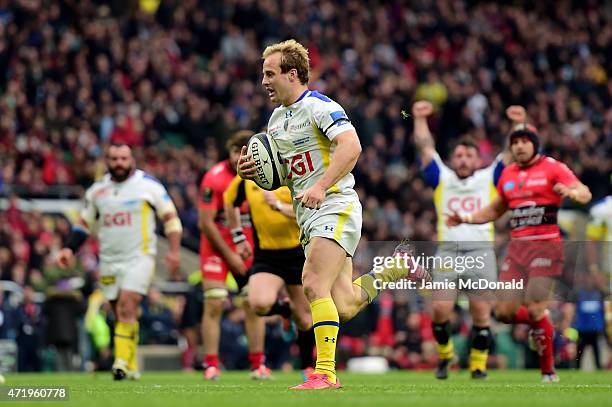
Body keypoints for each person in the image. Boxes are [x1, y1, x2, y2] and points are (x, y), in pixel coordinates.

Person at [238, 39, 427, 390]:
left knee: (312, 284)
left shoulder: (319, 106)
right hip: (309, 213)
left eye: (269, 73)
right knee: (346, 304)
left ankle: (325, 373)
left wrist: (322, 185)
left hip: (335, 204)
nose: (263, 81)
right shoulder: (277, 119)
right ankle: (398, 266)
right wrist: (251, 169)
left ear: (291, 74)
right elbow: (281, 172)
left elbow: (352, 146)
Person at [446, 119, 592, 382]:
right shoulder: (509, 175)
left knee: (534, 307)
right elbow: (495, 209)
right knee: (502, 312)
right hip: (517, 252)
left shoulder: (552, 167)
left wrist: (572, 191)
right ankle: (543, 321)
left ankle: (548, 371)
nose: (519, 146)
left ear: (534, 144)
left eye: (524, 141)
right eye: (514, 142)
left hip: (546, 247)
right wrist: (465, 218)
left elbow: (584, 192)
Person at [57, 142, 183, 380]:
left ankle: (120, 362)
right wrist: (68, 249)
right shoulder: (97, 190)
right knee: (121, 311)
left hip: (140, 256)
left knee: (127, 304)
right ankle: (132, 364)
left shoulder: (148, 186)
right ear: (107, 161)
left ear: (132, 159)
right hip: (109, 260)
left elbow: (171, 219)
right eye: (114, 159)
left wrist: (174, 251)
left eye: (124, 158)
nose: (119, 164)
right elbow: (83, 224)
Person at [411, 100, 516, 379]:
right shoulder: (442, 177)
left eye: (469, 155)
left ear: (478, 160)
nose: (464, 160)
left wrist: (517, 124)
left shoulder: (489, 177)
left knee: (482, 314)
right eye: (459, 155)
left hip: (481, 252)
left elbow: (509, 152)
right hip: (448, 252)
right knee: (440, 311)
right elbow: (424, 145)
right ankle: (446, 357)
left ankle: (478, 365)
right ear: (452, 159)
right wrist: (420, 118)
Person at [223, 175, 315, 377]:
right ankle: (285, 311)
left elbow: (311, 209)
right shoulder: (246, 180)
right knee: (258, 303)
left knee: (305, 319)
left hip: (298, 252)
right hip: (267, 255)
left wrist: (280, 206)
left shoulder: (295, 175)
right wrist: (238, 237)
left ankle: (308, 367)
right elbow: (229, 202)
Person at [198, 130, 269, 380]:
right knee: (215, 303)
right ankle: (210, 365)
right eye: (235, 151)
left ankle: (258, 364)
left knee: (254, 305)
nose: (240, 156)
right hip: (217, 249)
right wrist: (231, 255)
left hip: (250, 249)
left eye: (247, 150)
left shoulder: (265, 176)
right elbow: (206, 223)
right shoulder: (214, 178)